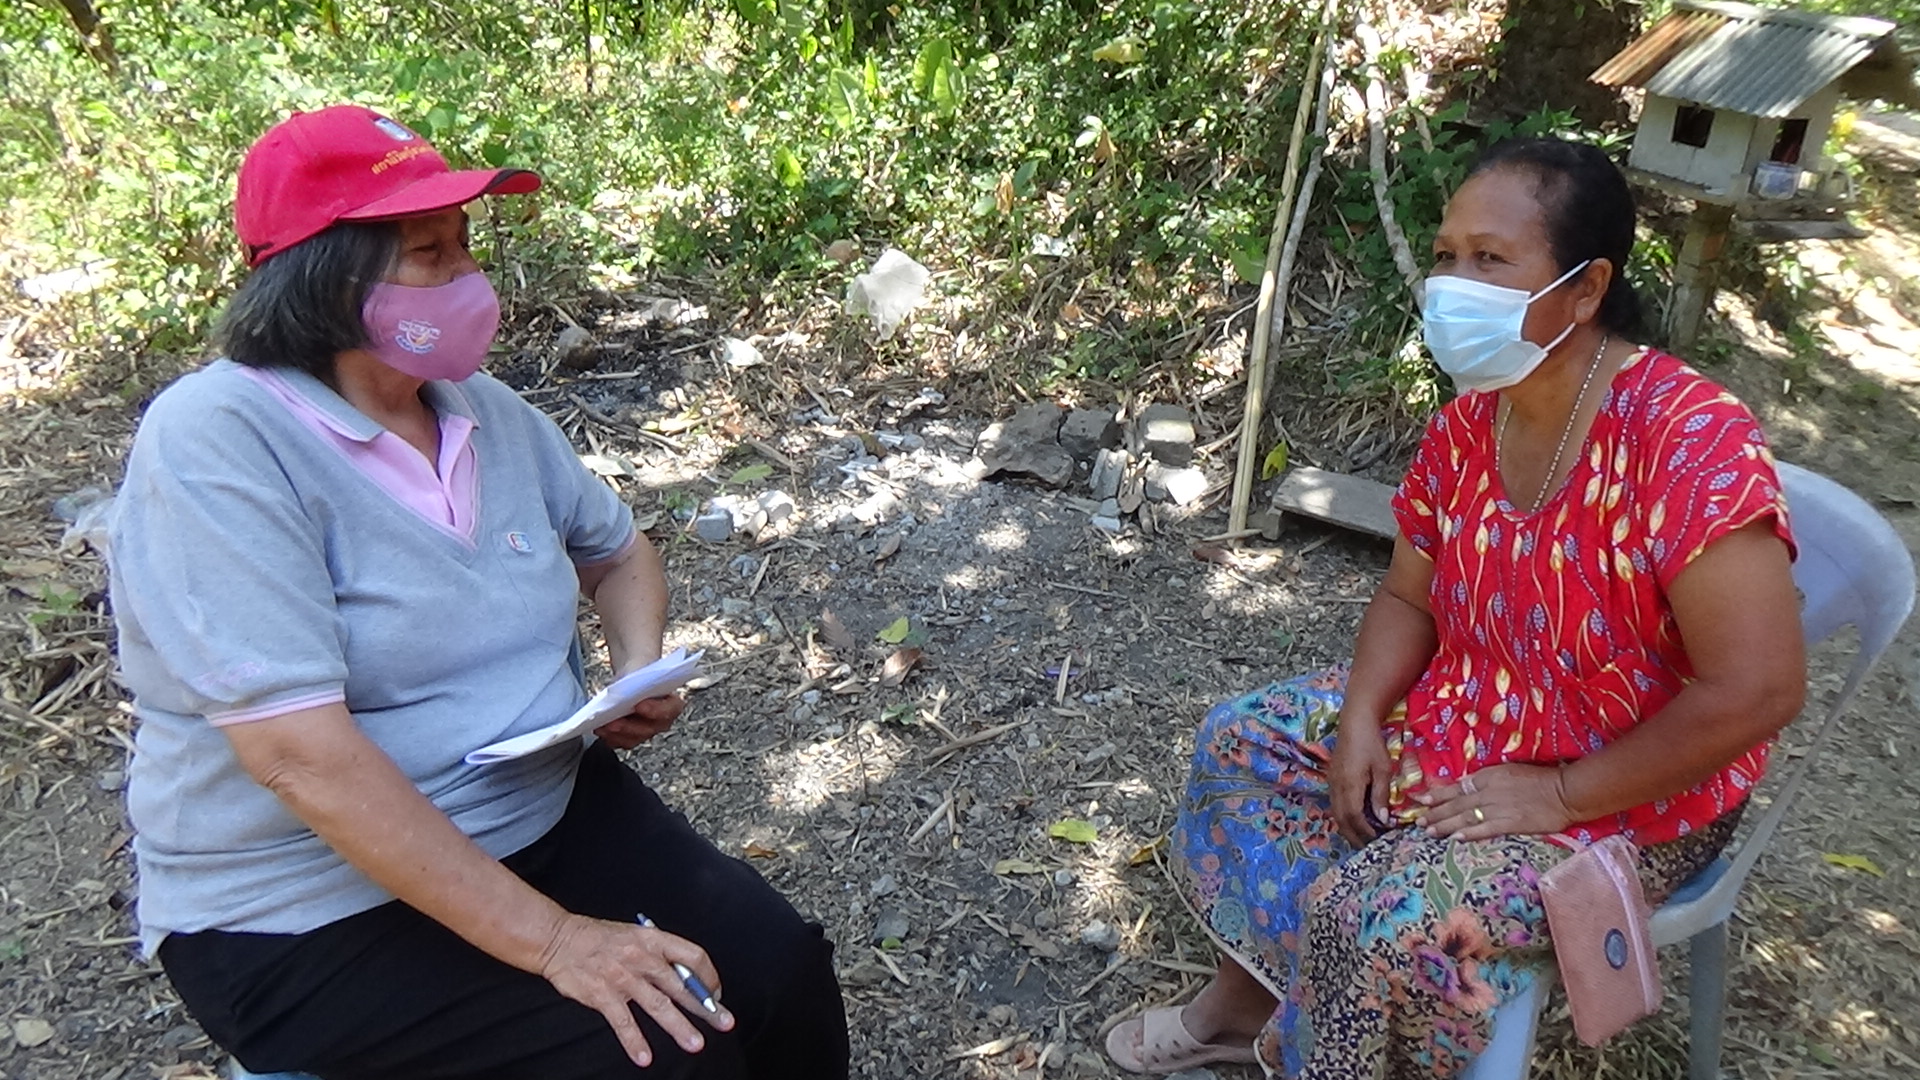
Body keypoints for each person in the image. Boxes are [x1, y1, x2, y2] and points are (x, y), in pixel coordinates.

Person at [107, 105, 849, 1080]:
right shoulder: (218, 439)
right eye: (429, 252)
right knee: (669, 1056)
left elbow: (618, 551)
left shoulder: (481, 410)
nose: (469, 277)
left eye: (464, 243)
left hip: (534, 809)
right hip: (302, 903)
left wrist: (635, 666)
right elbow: (299, 757)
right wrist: (557, 941)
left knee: (781, 973)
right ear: (324, 277)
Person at [1105, 137, 1805, 1078]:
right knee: (1244, 745)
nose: (1451, 285)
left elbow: (1757, 691)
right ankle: (1255, 1003)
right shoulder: (1474, 418)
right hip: (1476, 713)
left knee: (1375, 917)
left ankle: (1324, 1051)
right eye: (1444, 255)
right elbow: (1409, 592)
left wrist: (1561, 795)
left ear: (1587, 289)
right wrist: (1362, 717)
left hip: (1636, 784)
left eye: (1489, 258)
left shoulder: (1687, 440)